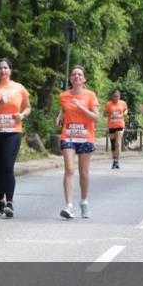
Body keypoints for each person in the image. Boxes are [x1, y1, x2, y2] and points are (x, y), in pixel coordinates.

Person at [0, 58, 31, 218]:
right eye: (0, 68)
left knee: (8, 167)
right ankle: (0, 200)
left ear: (11, 70)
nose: (3, 71)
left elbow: (28, 107)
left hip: (13, 132)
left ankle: (9, 203)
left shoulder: (19, 88)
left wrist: (22, 115)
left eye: (6, 68)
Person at [56, 66, 99, 219]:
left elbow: (96, 118)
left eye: (79, 74)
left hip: (86, 137)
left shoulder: (90, 96)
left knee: (84, 173)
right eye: (73, 74)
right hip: (68, 136)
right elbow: (65, 108)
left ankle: (84, 201)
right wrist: (59, 116)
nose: (76, 76)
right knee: (69, 169)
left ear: (84, 79)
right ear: (70, 79)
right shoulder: (64, 96)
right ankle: (69, 206)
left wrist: (81, 107)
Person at [103, 89, 128, 169]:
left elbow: (126, 110)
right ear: (112, 97)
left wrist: (125, 113)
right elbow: (104, 114)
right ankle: (114, 160)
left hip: (120, 125)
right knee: (113, 144)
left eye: (117, 96)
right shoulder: (108, 104)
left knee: (118, 143)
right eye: (114, 96)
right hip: (111, 125)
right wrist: (109, 113)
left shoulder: (122, 103)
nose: (115, 98)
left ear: (119, 96)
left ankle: (117, 160)